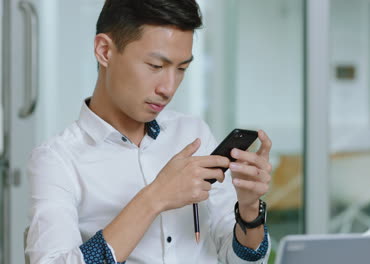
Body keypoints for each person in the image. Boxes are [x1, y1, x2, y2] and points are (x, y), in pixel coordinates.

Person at [25, 0, 273, 263]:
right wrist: (155, 197)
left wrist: (248, 211)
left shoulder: (193, 133)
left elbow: (240, 258)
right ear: (104, 51)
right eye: (156, 66)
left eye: (181, 69)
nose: (168, 88)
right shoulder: (56, 160)